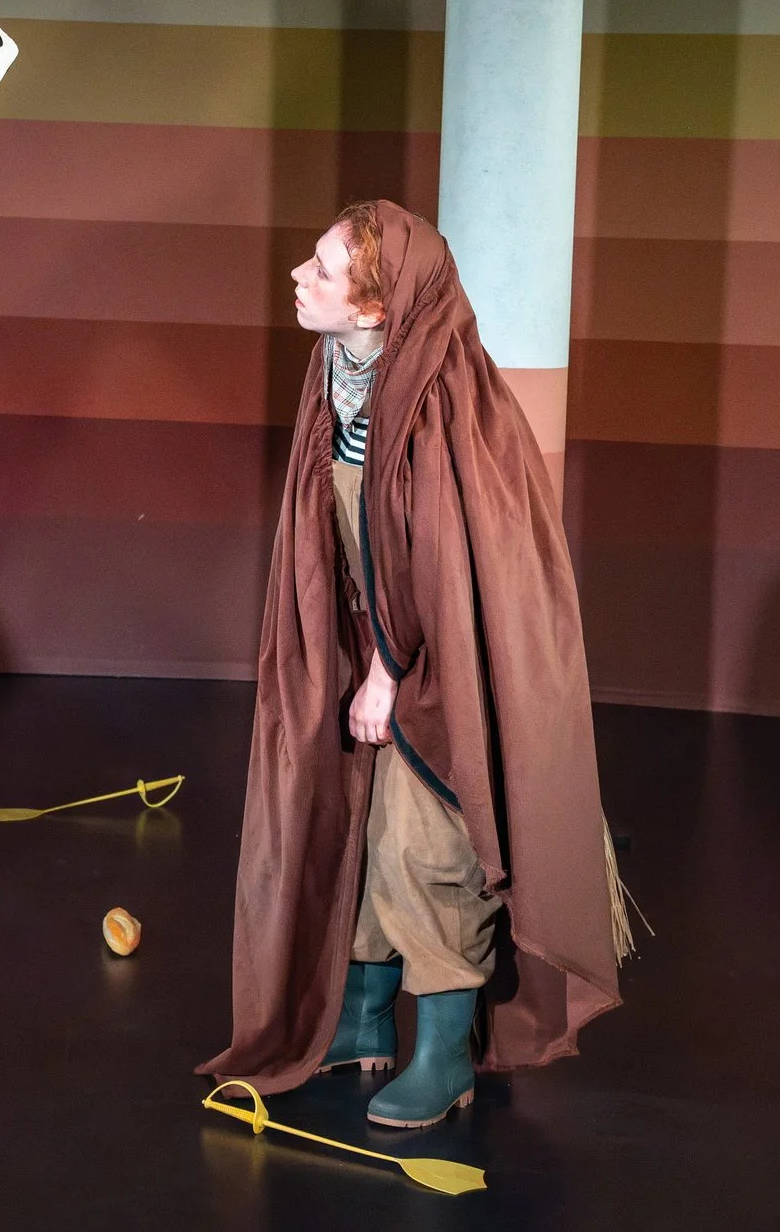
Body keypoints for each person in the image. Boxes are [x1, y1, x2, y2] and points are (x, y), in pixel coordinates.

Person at [199, 200, 628, 1127]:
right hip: (376, 651)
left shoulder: (445, 406)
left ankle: (444, 1055)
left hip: (450, 666)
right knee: (352, 827)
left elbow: (452, 574)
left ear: (375, 308)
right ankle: (362, 1022)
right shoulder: (341, 374)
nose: (299, 276)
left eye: (322, 270)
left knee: (424, 846)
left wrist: (391, 675)